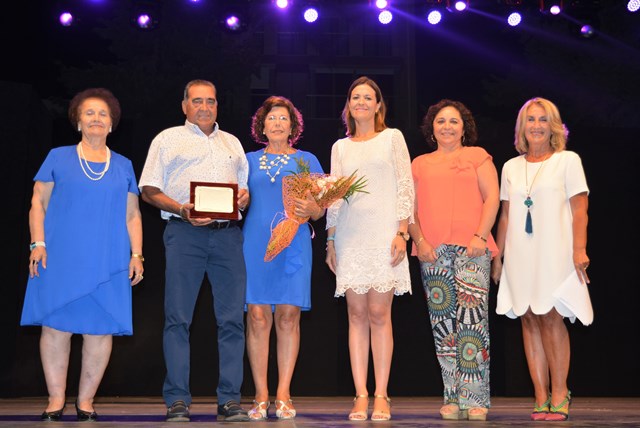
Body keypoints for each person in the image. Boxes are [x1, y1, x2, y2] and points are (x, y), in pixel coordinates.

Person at [21, 88, 144, 422]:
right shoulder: (58, 157)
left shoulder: (123, 165)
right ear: (77, 121)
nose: (96, 119)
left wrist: (137, 255)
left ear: (112, 123)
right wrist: (38, 243)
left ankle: (86, 402)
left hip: (109, 259)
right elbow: (38, 203)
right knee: (56, 328)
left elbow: (132, 214)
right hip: (59, 256)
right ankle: (56, 399)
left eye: (103, 114)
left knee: (99, 330)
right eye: (89, 113)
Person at [138, 79, 250, 422]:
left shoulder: (232, 143)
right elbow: (148, 189)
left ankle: (230, 400)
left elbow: (243, 192)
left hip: (228, 237)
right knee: (178, 319)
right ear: (184, 105)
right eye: (197, 101)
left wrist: (244, 198)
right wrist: (181, 208)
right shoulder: (167, 139)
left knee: (232, 320)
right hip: (184, 234)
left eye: (211, 101)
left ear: (218, 105)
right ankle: (177, 400)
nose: (205, 107)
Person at [492, 97, 592, 422]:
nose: (536, 125)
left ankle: (560, 393)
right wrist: (499, 256)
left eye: (542, 120)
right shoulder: (510, 167)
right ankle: (540, 395)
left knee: (550, 316)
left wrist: (580, 249)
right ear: (522, 127)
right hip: (521, 254)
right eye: (530, 120)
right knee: (528, 317)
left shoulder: (568, 161)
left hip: (555, 251)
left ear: (553, 126)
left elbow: (580, 209)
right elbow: (505, 216)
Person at [325, 76, 414, 422]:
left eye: (368, 97)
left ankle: (381, 394)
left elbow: (405, 185)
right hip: (349, 237)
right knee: (356, 316)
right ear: (348, 105)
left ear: (378, 105)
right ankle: (360, 394)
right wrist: (330, 240)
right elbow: (332, 197)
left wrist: (401, 232)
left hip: (383, 235)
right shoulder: (339, 147)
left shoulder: (392, 138)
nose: (361, 102)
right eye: (355, 97)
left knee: (380, 315)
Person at [408, 99, 499, 421]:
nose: (447, 126)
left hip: (472, 248)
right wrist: (420, 241)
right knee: (443, 326)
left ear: (464, 127)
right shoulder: (419, 163)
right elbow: (410, 209)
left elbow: (492, 198)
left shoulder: (477, 156)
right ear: (431, 128)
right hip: (432, 251)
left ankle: (476, 398)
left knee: (473, 324)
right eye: (441, 121)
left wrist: (479, 236)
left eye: (454, 121)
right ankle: (452, 395)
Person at [242, 96, 324, 420]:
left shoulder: (307, 160)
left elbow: (321, 207)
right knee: (258, 317)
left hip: (294, 243)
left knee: (288, 317)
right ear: (262, 125)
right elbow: (237, 201)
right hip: (255, 244)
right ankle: (261, 394)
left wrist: (312, 210)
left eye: (283, 119)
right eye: (271, 118)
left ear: (293, 126)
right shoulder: (246, 160)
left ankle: (283, 393)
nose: (277, 123)